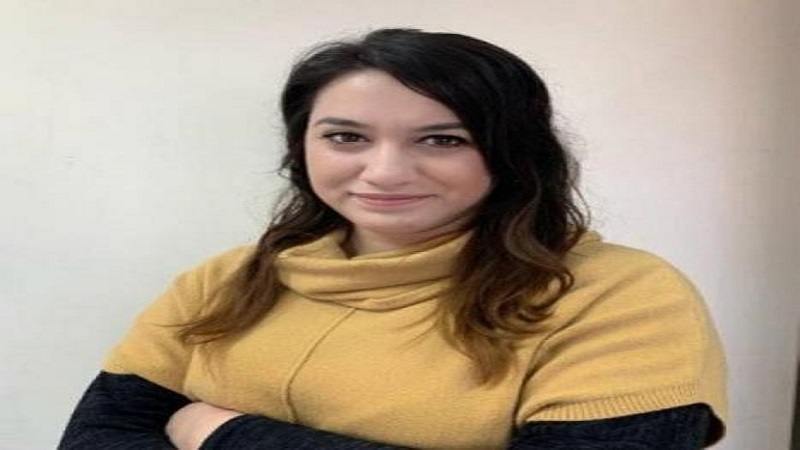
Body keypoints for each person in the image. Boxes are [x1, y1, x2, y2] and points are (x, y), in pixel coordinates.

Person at [59, 28, 727, 449]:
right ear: (302, 147)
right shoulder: (226, 280)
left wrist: (219, 431)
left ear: (513, 153)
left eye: (442, 140)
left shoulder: (618, 297)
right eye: (346, 136)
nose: (384, 171)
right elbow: (100, 436)